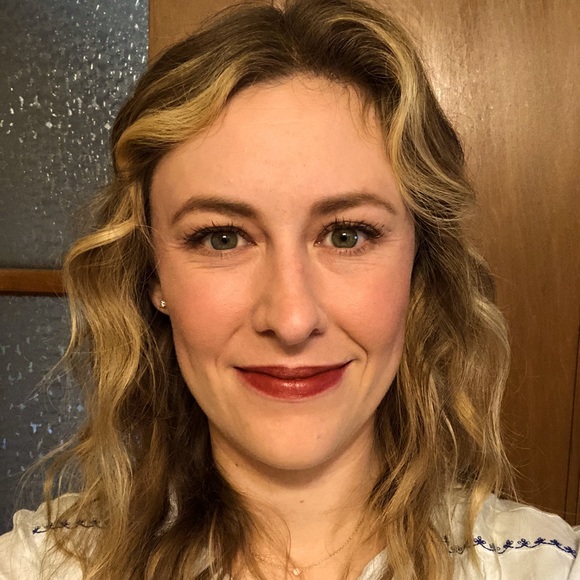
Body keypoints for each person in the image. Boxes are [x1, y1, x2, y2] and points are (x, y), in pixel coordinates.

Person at [0, 0, 578, 578]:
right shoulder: (41, 566)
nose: (292, 319)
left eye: (347, 235)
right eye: (223, 238)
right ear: (153, 275)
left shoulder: (545, 566)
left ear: (417, 265)